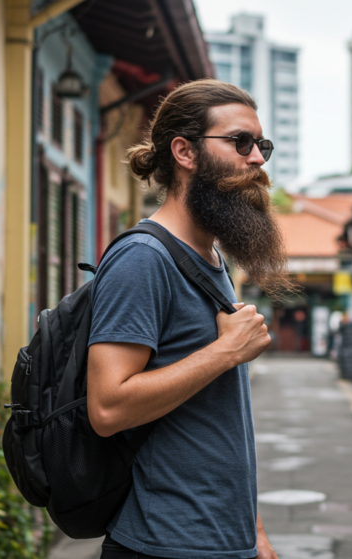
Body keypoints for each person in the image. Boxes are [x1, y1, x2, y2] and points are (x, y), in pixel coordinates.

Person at [87, 79, 295, 559]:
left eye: (261, 145)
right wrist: (226, 352)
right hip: (165, 544)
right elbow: (108, 408)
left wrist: (255, 531)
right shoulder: (144, 257)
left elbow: (218, 424)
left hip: (224, 541)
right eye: (240, 142)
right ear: (185, 151)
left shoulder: (210, 259)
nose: (258, 159)